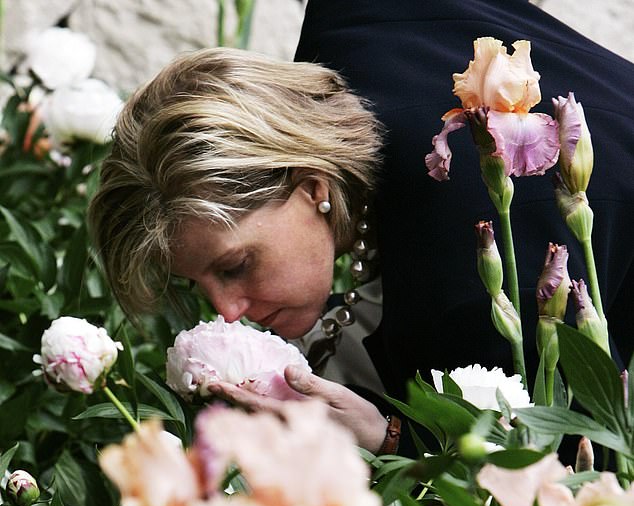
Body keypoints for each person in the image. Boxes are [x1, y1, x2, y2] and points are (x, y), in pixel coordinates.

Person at [89, 0, 634, 457]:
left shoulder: (471, 248)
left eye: (235, 265)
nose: (226, 310)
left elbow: (544, 470)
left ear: (313, 187)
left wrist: (387, 437)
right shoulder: (352, 31)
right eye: (197, 284)